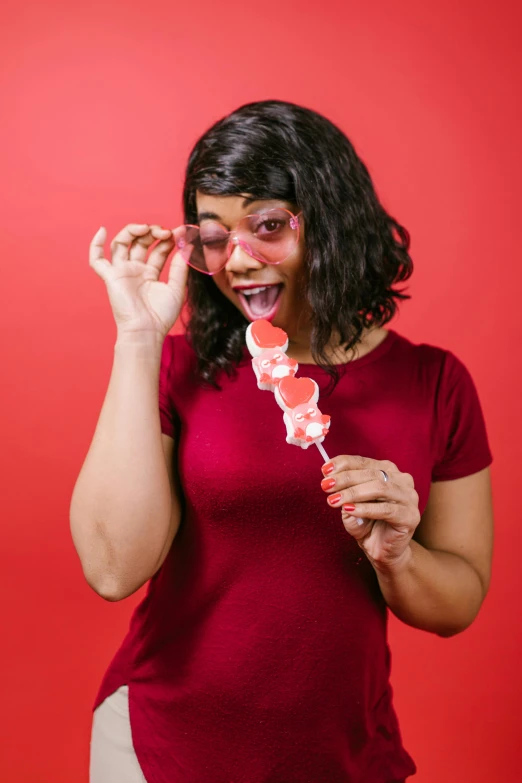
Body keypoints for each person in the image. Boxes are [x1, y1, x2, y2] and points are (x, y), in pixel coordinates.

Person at [70, 100, 494, 783]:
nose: (238, 261)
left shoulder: (434, 383)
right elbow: (113, 569)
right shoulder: (179, 367)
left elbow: (461, 601)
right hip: (157, 746)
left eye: (267, 226)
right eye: (214, 236)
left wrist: (397, 557)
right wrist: (139, 336)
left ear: (331, 220)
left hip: (347, 759)